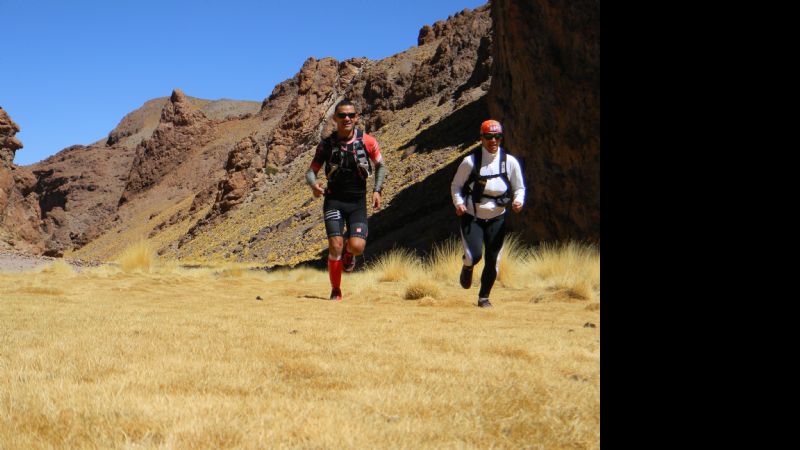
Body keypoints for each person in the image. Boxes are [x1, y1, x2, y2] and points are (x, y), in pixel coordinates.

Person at [306, 99, 387, 301]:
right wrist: (314, 184)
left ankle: (349, 255)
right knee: (335, 245)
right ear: (335, 118)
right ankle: (336, 290)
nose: (347, 119)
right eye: (342, 115)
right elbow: (311, 171)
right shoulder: (326, 145)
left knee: (357, 246)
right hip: (333, 201)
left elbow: (381, 166)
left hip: (357, 203)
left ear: (357, 117)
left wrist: (377, 190)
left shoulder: (368, 141)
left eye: (351, 115)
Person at [450, 119, 525, 308]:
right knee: (474, 255)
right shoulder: (470, 161)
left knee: (493, 260)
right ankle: (468, 266)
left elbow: (519, 187)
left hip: (497, 217)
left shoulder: (510, 162)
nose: (493, 141)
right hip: (472, 216)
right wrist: (459, 203)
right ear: (481, 138)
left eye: (497, 137)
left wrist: (518, 201)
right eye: (489, 137)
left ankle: (484, 297)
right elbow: (456, 186)